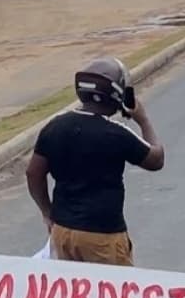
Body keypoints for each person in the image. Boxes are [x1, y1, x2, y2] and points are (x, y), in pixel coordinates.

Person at [25, 57, 165, 266]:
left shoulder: (55, 126)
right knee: (115, 294)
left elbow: (33, 173)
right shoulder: (116, 134)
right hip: (103, 235)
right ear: (117, 95)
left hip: (63, 231)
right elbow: (156, 159)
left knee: (77, 292)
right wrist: (142, 119)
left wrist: (47, 212)